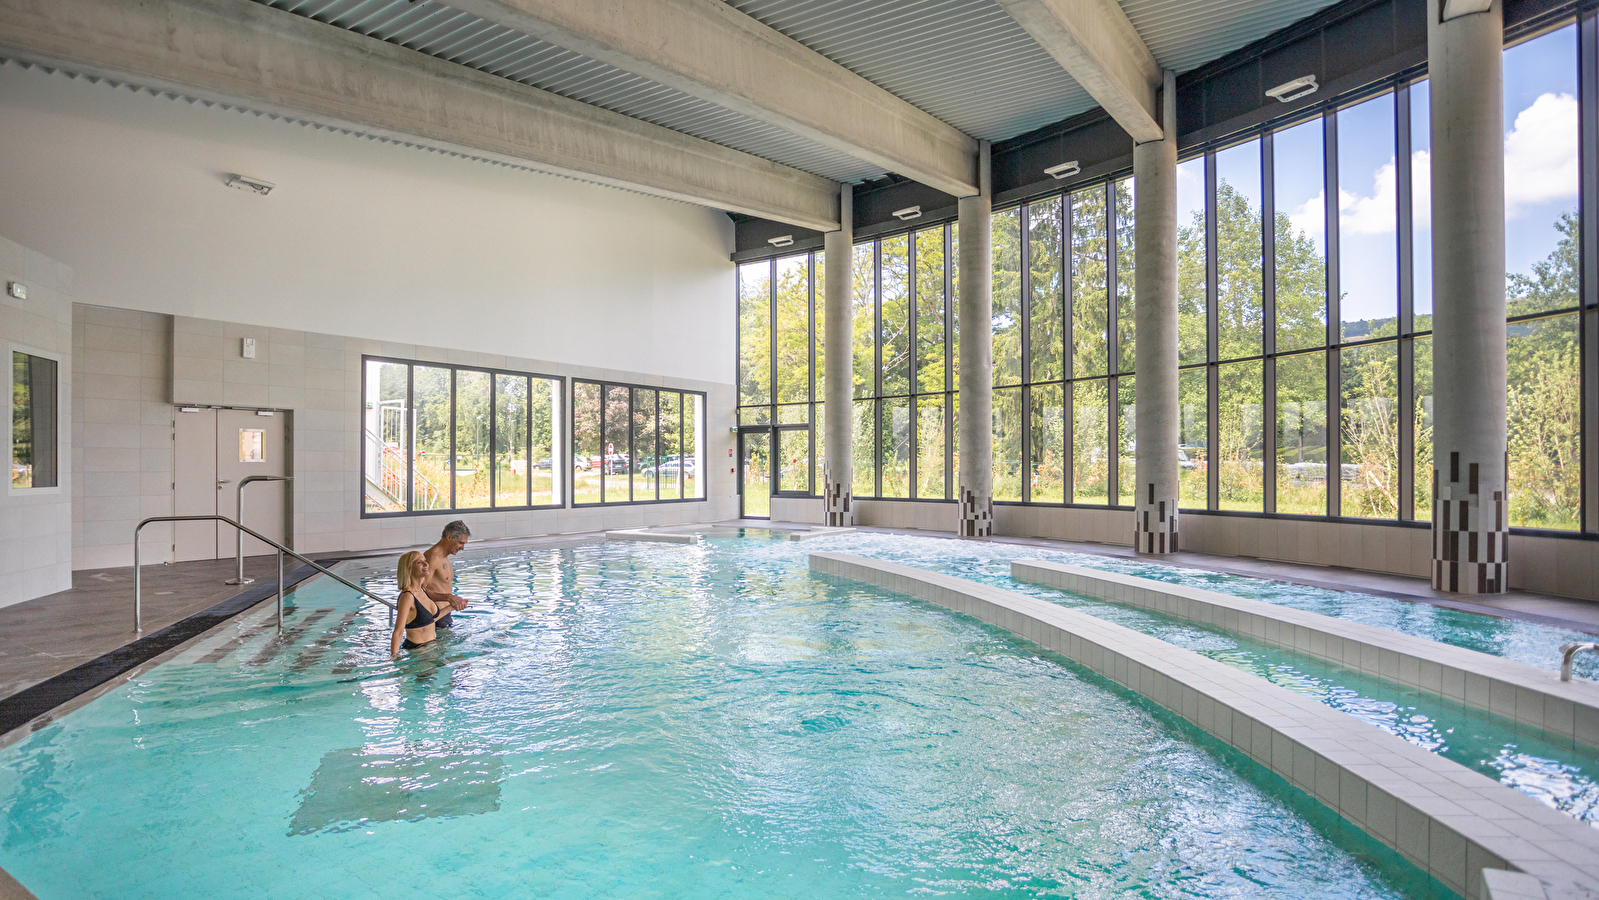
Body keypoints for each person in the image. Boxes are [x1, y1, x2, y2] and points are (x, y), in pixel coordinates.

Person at [389, 550, 446, 657]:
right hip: (418, 651)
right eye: (419, 562)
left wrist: (452, 606)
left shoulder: (422, 591)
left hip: (432, 646)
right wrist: (394, 658)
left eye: (425, 561)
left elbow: (429, 620)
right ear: (409, 569)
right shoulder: (407, 596)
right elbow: (398, 631)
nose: (426, 564)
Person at [422, 520, 473, 628]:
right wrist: (449, 597)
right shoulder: (432, 557)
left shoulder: (444, 556)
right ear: (449, 537)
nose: (462, 548)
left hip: (444, 615)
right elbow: (419, 591)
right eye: (461, 543)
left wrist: (451, 600)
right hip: (435, 617)